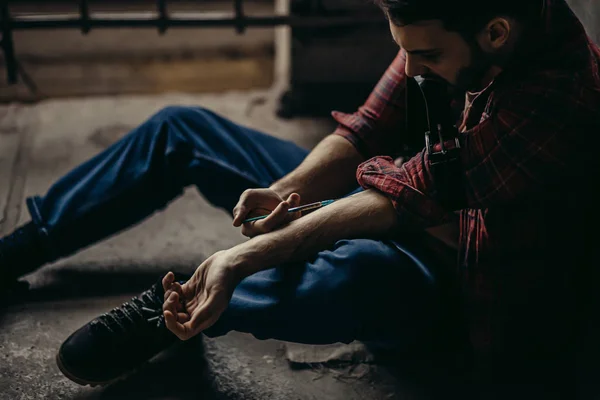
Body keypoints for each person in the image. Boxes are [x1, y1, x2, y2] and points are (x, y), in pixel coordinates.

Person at [1, 0, 599, 395]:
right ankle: (19, 249)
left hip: (454, 288)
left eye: (428, 55)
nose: (413, 68)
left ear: (496, 32)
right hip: (402, 197)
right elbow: (365, 129)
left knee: (355, 271)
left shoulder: (561, 96)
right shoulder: (449, 21)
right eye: (406, 50)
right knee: (183, 128)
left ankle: (188, 303)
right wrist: (287, 193)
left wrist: (242, 257)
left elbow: (408, 198)